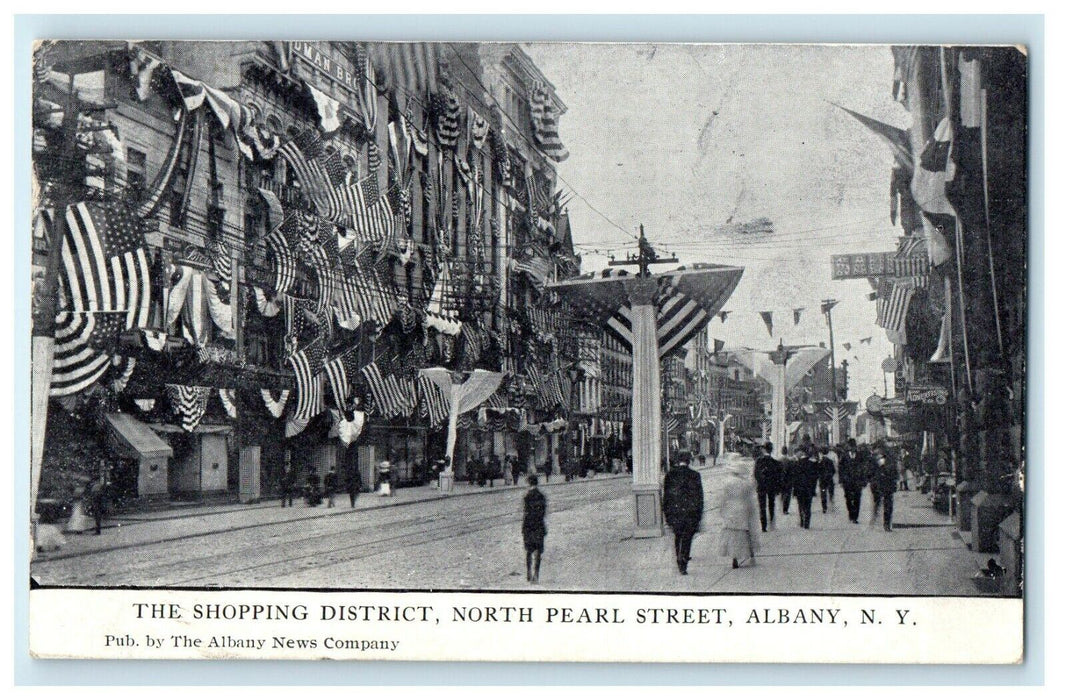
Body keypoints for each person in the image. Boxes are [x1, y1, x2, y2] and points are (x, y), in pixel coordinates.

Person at [662, 451, 704, 575]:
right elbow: (699, 496)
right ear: (689, 460)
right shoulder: (695, 475)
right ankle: (684, 561)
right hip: (690, 512)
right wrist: (699, 513)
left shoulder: (669, 475)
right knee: (687, 537)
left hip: (675, 512)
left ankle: (678, 558)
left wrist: (667, 514)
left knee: (677, 536)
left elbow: (666, 497)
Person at [715, 460, 760, 568]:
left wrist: (721, 509)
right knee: (745, 533)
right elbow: (750, 498)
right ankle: (748, 553)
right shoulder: (746, 483)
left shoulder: (727, 482)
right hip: (743, 509)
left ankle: (734, 558)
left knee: (731, 533)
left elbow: (722, 498)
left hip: (730, 509)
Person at [522, 474, 548, 583]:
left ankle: (528, 572)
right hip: (538, 526)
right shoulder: (541, 495)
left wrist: (524, 527)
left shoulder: (527, 496)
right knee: (538, 551)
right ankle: (536, 574)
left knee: (528, 551)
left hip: (529, 526)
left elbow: (526, 513)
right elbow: (543, 512)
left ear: (529, 483)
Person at [753, 442, 781, 533]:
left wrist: (760, 482)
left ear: (764, 449)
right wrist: (777, 488)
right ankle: (771, 522)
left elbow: (756, 474)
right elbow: (778, 477)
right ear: (771, 450)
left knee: (762, 506)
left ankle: (763, 526)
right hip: (771, 487)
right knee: (771, 505)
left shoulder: (758, 461)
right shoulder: (775, 462)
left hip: (761, 487)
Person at [838, 439, 868, 523]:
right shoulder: (844, 456)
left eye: (853, 447)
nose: (852, 448)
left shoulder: (860, 456)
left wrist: (864, 480)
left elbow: (864, 468)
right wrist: (841, 480)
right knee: (848, 498)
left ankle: (855, 517)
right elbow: (840, 468)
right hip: (847, 481)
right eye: (850, 447)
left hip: (857, 481)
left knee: (857, 498)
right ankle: (851, 513)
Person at [791, 446, 820, 529]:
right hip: (809, 488)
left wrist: (794, 489)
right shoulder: (812, 464)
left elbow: (794, 478)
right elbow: (815, 477)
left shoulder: (796, 464)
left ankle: (802, 520)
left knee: (800, 505)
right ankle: (807, 522)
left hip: (799, 488)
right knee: (808, 505)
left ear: (802, 453)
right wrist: (813, 488)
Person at [869, 448, 898, 531]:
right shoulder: (873, 462)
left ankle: (886, 524)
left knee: (888, 505)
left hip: (887, 485)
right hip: (878, 486)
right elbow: (869, 473)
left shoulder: (891, 462)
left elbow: (894, 473)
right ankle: (875, 520)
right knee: (877, 503)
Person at [88, 471, 109, 536]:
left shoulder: (95, 487)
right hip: (98, 504)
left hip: (97, 504)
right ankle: (98, 530)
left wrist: (93, 501)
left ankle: (97, 530)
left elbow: (95, 496)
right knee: (98, 517)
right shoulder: (99, 485)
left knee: (97, 517)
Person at [817, 446, 836, 514]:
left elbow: (817, 471)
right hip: (829, 480)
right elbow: (834, 470)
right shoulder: (830, 461)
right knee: (830, 492)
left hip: (822, 481)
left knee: (823, 492)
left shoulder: (820, 462)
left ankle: (824, 507)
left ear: (821, 453)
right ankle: (831, 502)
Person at [779, 446, 794, 516]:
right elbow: (792, 472)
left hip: (781, 480)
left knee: (782, 493)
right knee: (787, 495)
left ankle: (781, 504)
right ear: (787, 452)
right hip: (788, 481)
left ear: (781, 452)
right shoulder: (790, 461)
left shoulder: (778, 460)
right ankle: (785, 509)